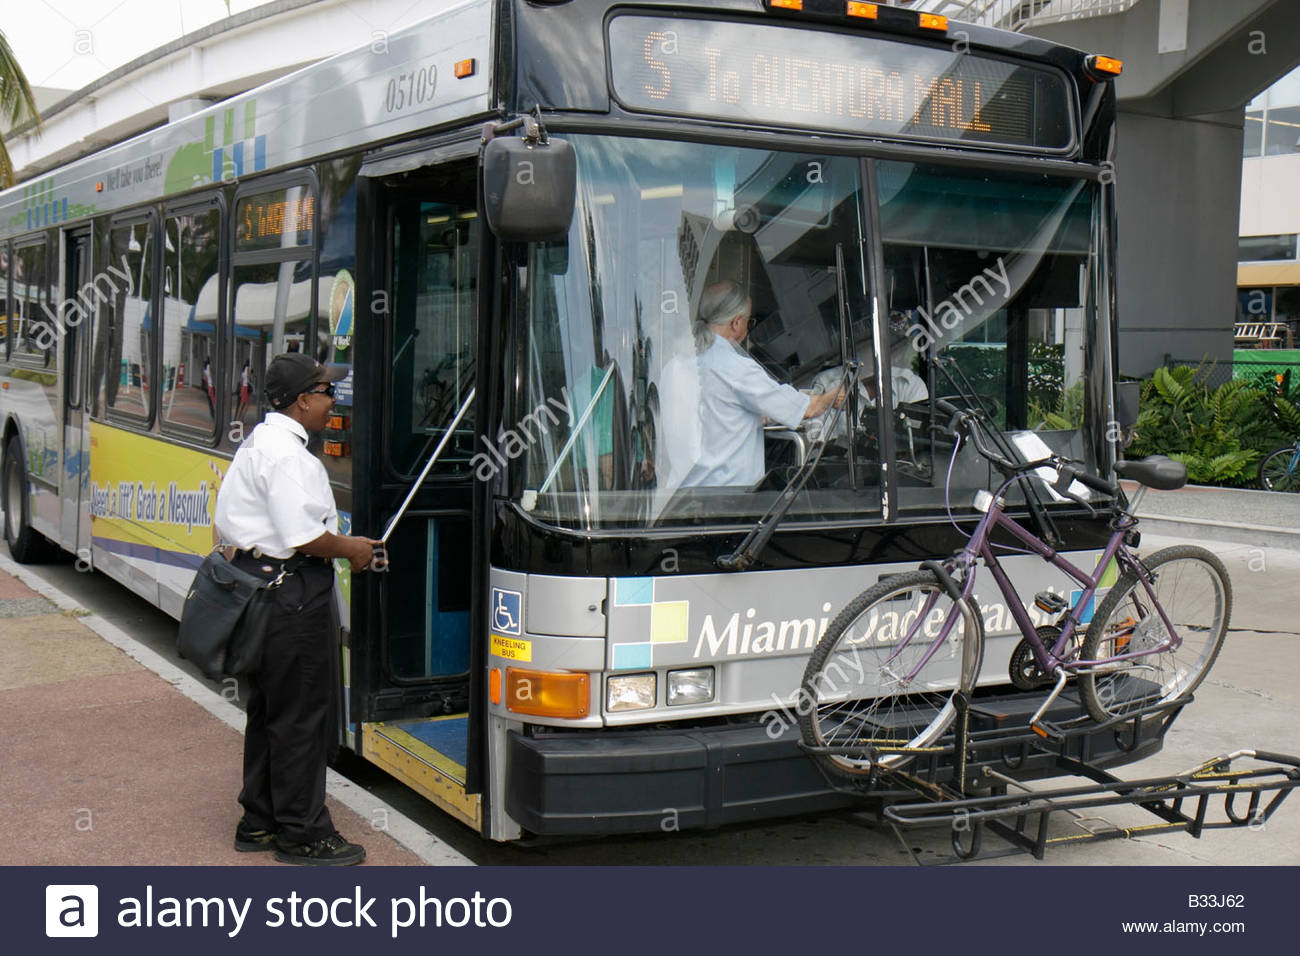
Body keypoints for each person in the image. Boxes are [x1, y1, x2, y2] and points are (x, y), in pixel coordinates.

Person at [214, 352, 382, 866]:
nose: (334, 401)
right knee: (302, 717)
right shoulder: (290, 458)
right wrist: (354, 548)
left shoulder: (259, 443)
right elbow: (304, 536)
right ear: (303, 400)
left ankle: (259, 821)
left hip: (261, 590)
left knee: (269, 710)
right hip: (292, 596)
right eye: (327, 392)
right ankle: (303, 832)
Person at [681, 281, 842, 488]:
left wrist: (753, 414)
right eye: (750, 321)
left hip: (680, 496)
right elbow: (808, 409)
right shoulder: (736, 368)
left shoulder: (677, 362)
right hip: (726, 496)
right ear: (737, 323)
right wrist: (833, 395)